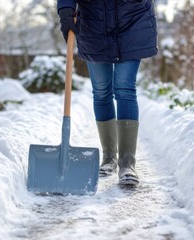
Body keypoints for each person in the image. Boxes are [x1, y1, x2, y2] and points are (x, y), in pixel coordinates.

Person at [57, 0, 158, 186]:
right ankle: (109, 157)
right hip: (94, 22)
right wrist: (65, 10)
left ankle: (127, 163)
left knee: (125, 88)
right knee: (102, 91)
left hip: (132, 19)